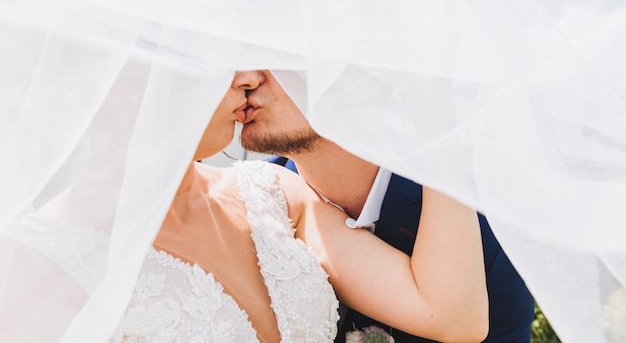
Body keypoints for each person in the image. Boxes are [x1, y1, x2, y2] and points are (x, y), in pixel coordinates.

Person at [1, 70, 489, 342]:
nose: (247, 77)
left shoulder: (275, 194)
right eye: (208, 59)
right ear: (124, 84)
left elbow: (452, 316)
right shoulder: (38, 266)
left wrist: (437, 115)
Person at [240, 70, 536, 343]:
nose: (247, 78)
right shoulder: (248, 205)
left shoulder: (484, 221)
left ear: (357, 76)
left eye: (278, 54)